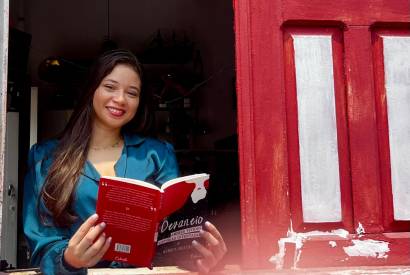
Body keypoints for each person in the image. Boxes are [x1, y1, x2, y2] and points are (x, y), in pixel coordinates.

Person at [23, 49, 227, 275]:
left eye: (132, 92)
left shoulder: (157, 155)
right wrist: (69, 258)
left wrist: (198, 255)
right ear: (92, 89)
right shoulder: (46, 157)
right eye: (110, 87)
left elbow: (172, 237)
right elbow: (41, 243)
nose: (120, 99)